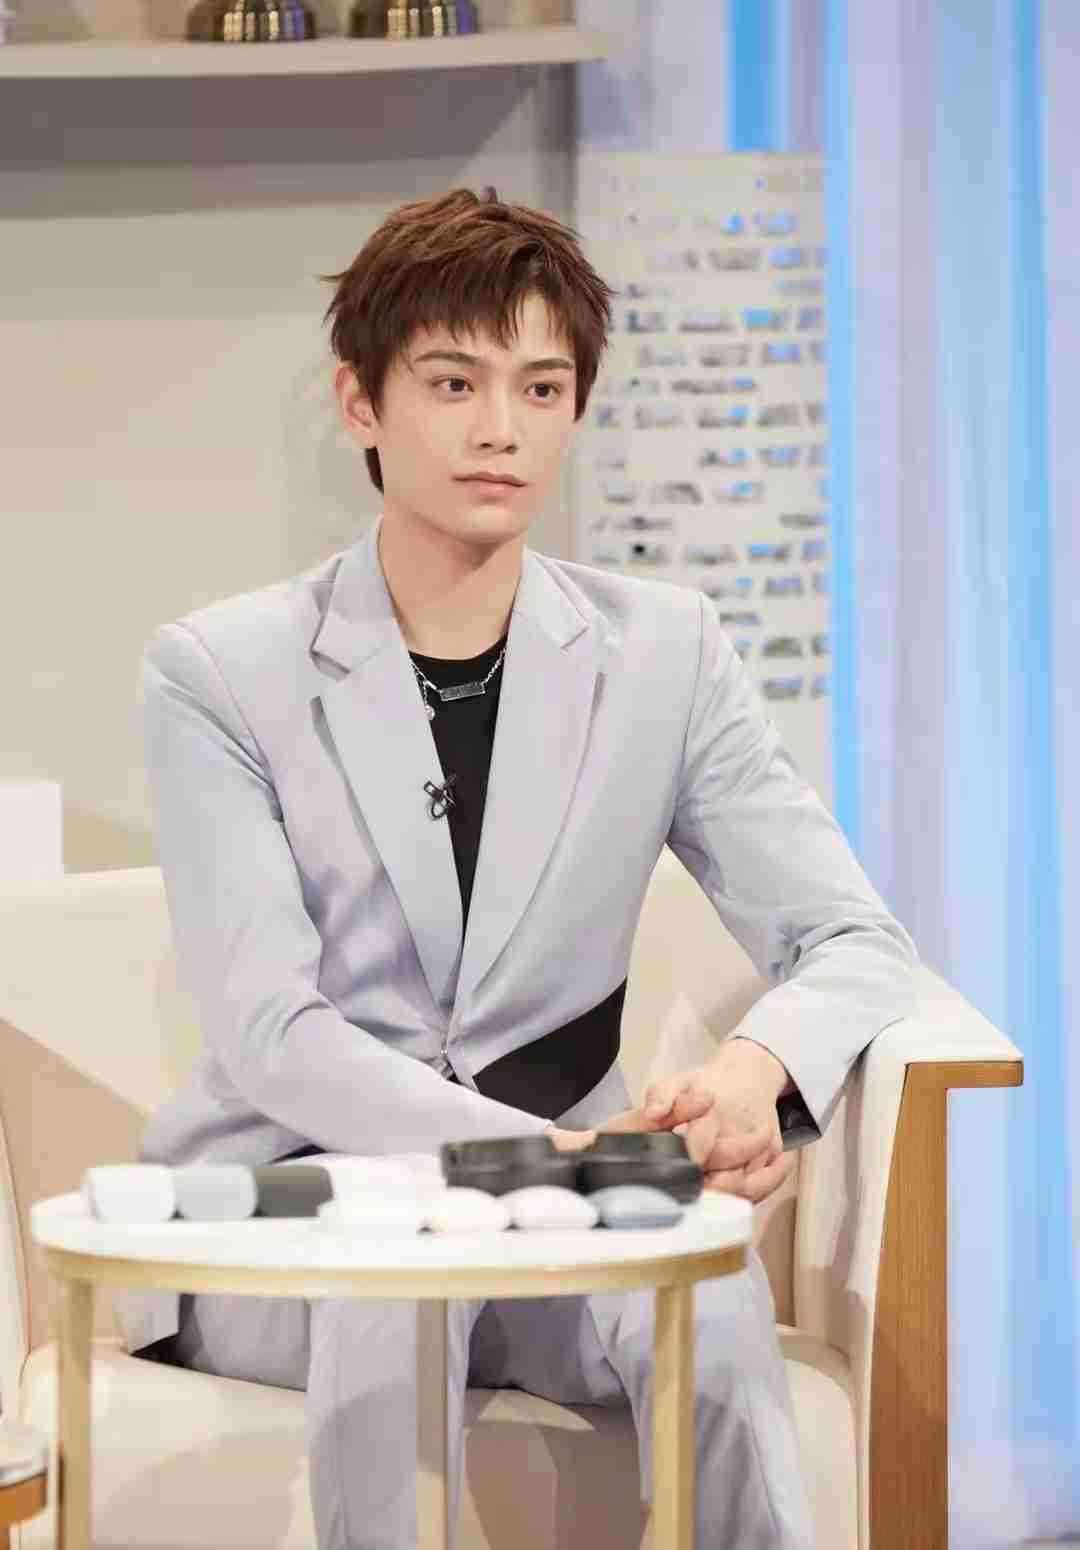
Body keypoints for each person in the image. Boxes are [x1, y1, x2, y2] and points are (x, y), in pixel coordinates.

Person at [113, 185, 918, 1549]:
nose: (502, 427)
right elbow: (271, 1031)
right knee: (399, 1269)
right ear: (362, 403)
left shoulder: (665, 653)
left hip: (570, 1195)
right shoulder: (220, 672)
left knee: (710, 1292)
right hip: (302, 1201)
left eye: (541, 387)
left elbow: (854, 939)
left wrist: (751, 1076)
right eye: (454, 383)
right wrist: (534, 1160)